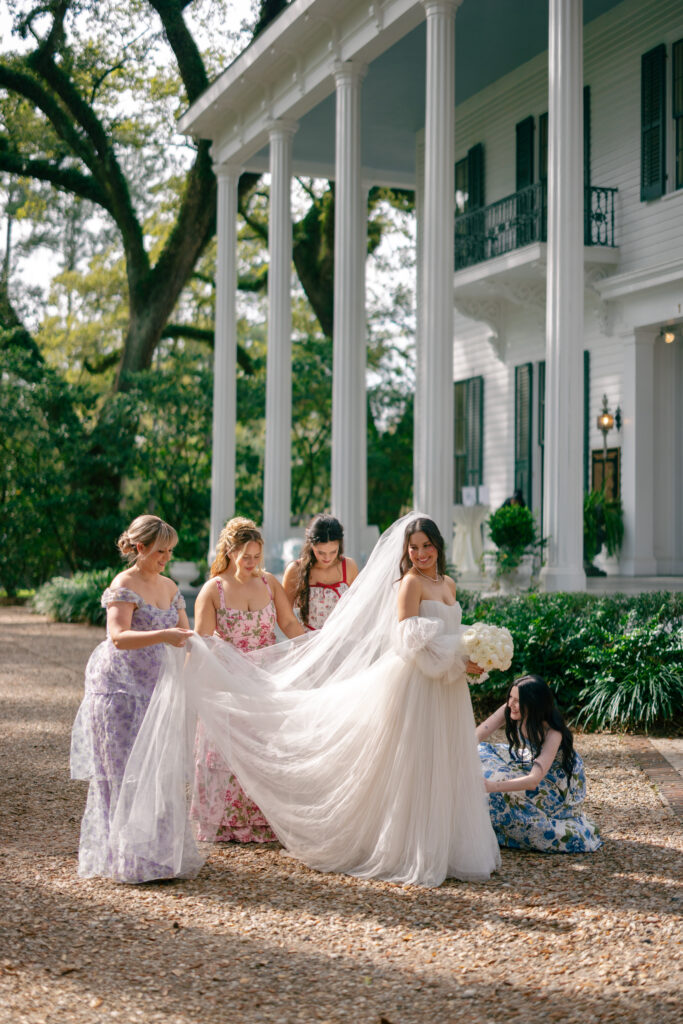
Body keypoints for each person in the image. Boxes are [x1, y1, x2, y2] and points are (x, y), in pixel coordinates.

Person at [112, 511, 501, 887]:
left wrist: (473, 652)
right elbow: (405, 637)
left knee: (441, 757)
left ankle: (443, 842)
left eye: (427, 545)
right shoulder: (395, 583)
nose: (420, 552)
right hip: (255, 671)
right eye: (414, 546)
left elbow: (290, 624)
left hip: (426, 679)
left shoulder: (442, 584)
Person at [70, 514, 195, 882]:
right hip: (120, 689)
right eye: (160, 551)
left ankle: (159, 857)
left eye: (170, 552)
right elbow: (118, 636)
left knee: (158, 771)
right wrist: (165, 635)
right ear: (139, 548)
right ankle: (126, 859)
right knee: (123, 772)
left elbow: (184, 634)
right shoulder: (124, 583)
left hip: (157, 688)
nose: (165, 558)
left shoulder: (172, 586)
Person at [191, 517, 305, 842]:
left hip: (266, 679)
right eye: (246, 556)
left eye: (257, 556)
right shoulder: (212, 590)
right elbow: (201, 639)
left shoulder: (269, 582)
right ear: (230, 552)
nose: (253, 563)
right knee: (226, 749)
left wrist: (318, 644)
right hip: (227, 680)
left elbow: (289, 624)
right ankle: (227, 822)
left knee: (265, 748)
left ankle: (266, 819)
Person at [476, 675, 602, 852]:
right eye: (510, 697)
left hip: (557, 784)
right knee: (477, 752)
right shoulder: (510, 708)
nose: (511, 703)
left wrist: (490, 786)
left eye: (517, 700)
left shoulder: (553, 732)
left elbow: (534, 780)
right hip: (530, 759)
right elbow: (476, 736)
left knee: (499, 782)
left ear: (534, 703)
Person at [282, 514, 359, 630]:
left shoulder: (349, 566)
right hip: (307, 642)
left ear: (340, 545)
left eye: (333, 552)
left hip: (342, 641)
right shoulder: (295, 569)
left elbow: (357, 609)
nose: (327, 558)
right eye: (321, 552)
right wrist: (304, 641)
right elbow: (285, 617)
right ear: (311, 545)